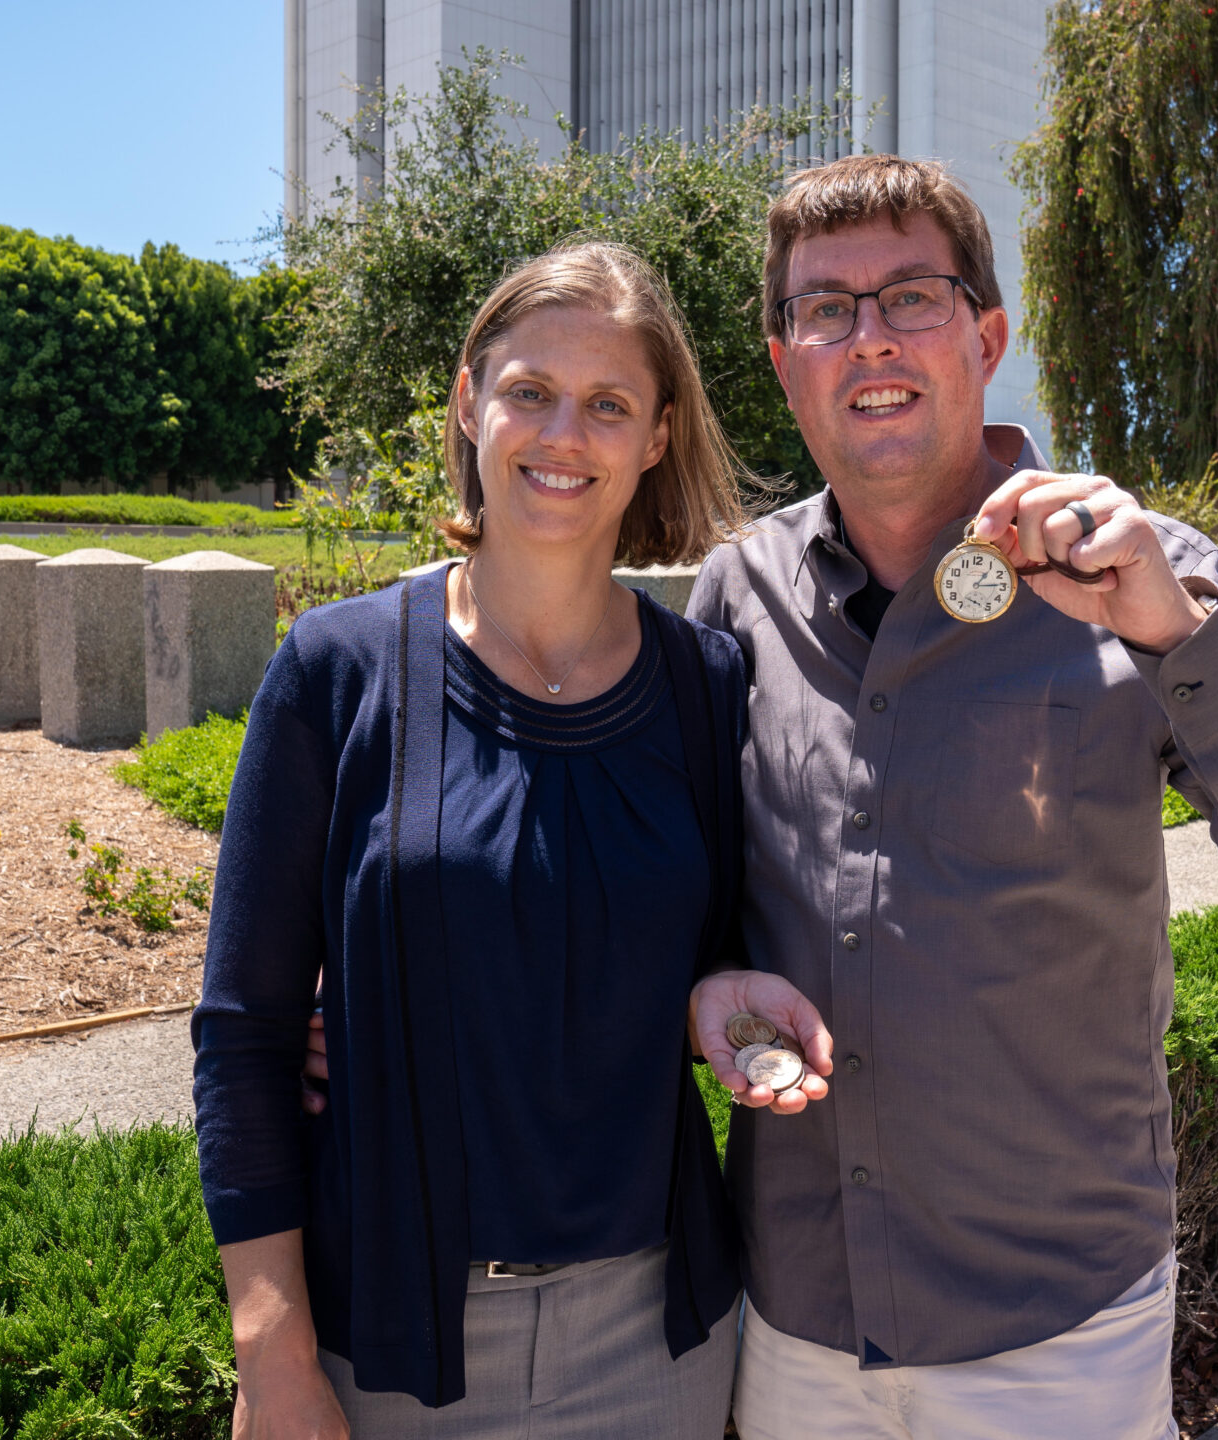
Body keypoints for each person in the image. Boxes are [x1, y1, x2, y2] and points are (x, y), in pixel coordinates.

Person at [681, 156, 1218, 1438]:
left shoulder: (1145, 573)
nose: (869, 340)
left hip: (1058, 1335)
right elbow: (689, 902)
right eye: (825, 310)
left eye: (911, 297)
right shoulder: (733, 601)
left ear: (986, 336)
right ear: (781, 357)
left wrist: (1175, 638)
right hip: (796, 1317)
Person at [191, 241, 789, 1438]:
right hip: (394, 1347)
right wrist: (273, 1358)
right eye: (529, 392)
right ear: (470, 401)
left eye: (609, 405)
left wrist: (734, 1015)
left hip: (660, 1344)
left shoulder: (707, 685)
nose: (563, 435)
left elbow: (710, 963)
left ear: (657, 436)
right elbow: (244, 1038)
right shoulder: (337, 671)